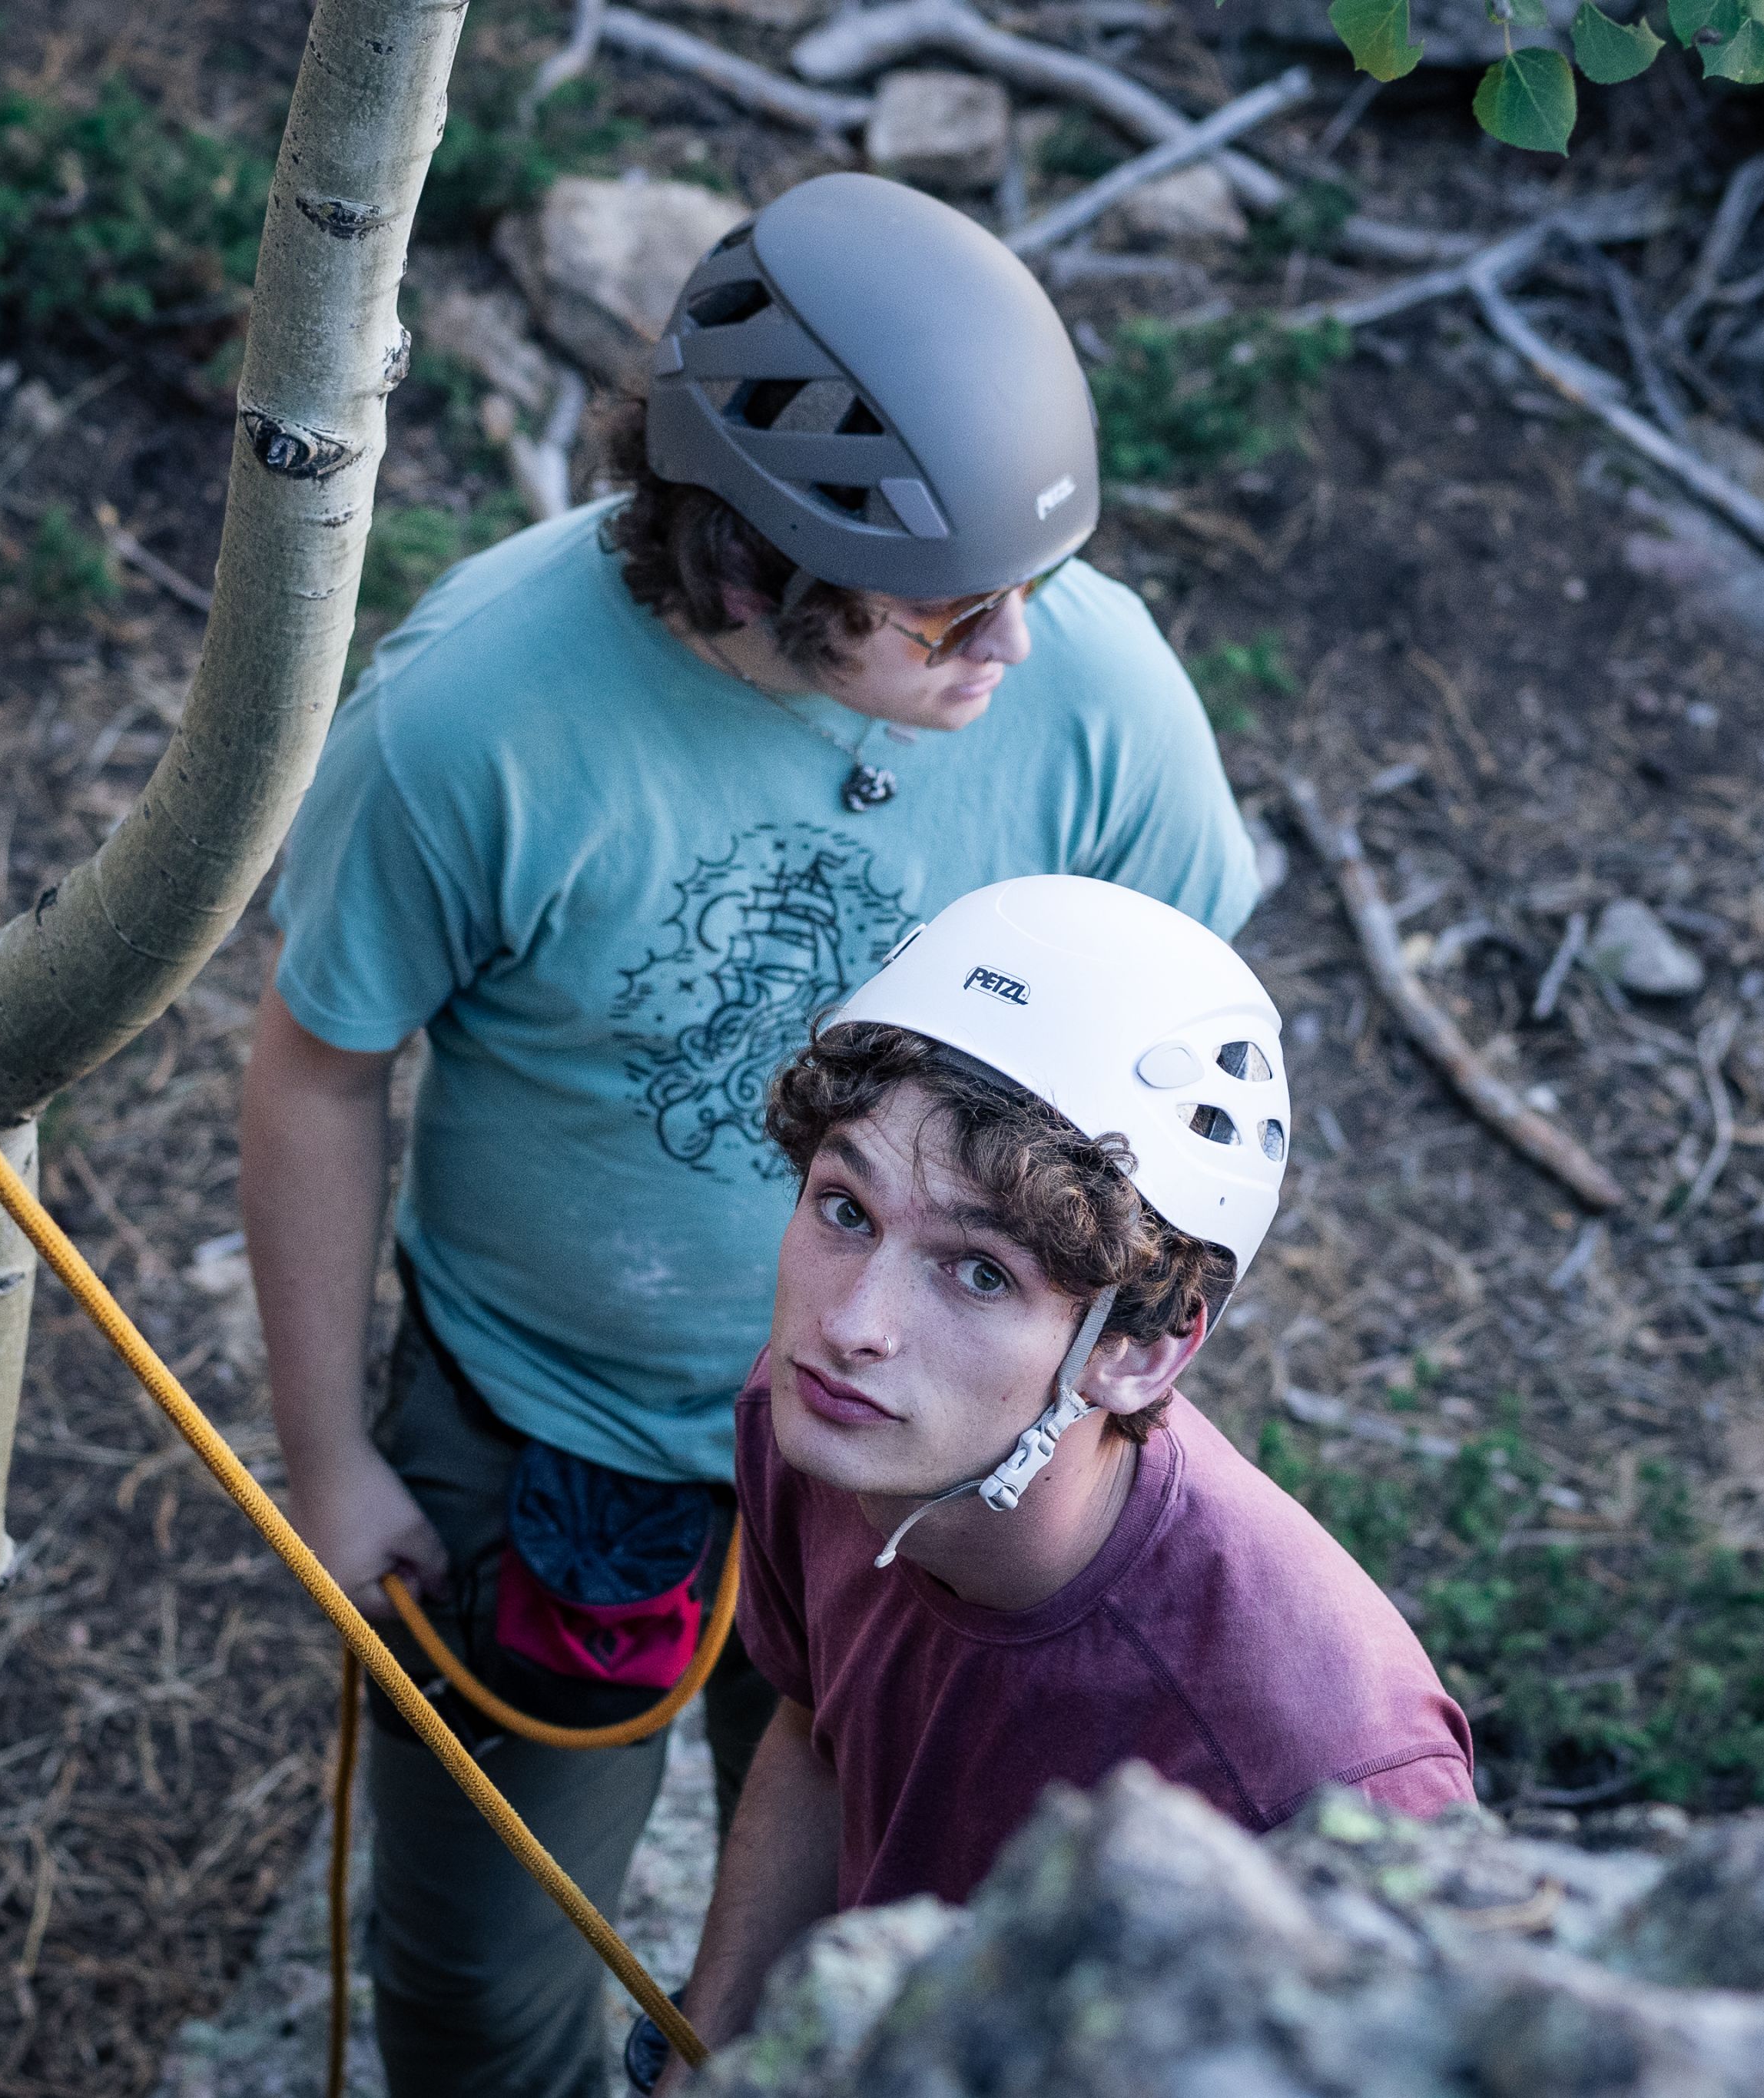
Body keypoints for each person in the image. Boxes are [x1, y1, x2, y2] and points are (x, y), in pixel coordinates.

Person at [237, 172, 1259, 2097]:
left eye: (1031, 583)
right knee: (477, 1983)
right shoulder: (475, 719)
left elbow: (1179, 1065)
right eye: (950, 609)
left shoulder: (1095, 696)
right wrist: (330, 1455)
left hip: (929, 1454)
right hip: (556, 1425)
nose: (1015, 644)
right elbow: (317, 1067)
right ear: (744, 571)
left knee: (866, 1930)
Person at [656, 876, 1473, 2081]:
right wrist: (705, 2057)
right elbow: (820, 1733)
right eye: (846, 1208)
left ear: (1140, 1351)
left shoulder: (1323, 1764)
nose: (852, 1325)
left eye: (980, 1273)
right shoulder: (827, 1431)